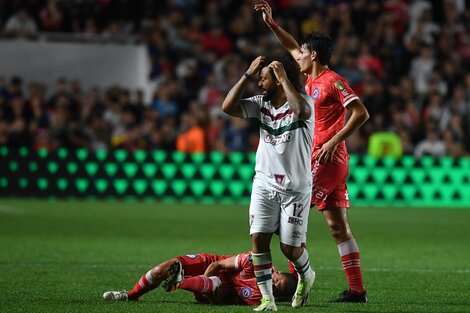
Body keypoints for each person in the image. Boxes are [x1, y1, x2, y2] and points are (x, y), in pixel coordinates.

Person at [255, 1, 370, 303]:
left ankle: (299, 281)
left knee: (286, 222)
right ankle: (357, 290)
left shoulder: (332, 81)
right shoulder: (310, 79)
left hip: (327, 158)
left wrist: (333, 141)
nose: (298, 57)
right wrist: (271, 23)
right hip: (324, 159)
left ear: (314, 55)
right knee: (338, 227)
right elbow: (291, 45)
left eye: (303, 54)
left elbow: (360, 113)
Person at [222, 55, 315, 311]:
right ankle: (267, 300)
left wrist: (285, 78)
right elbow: (227, 107)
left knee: (289, 248)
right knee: (258, 240)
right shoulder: (260, 103)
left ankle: (307, 275)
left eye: (263, 79)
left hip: (295, 190)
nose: (260, 84)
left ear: (277, 79)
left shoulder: (304, 102)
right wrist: (246, 74)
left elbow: (302, 112)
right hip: (264, 184)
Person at [102, 251, 297, 306]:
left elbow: (224, 301)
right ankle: (131, 295)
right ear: (276, 271)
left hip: (215, 290)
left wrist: (209, 295)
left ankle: (179, 281)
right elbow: (217, 266)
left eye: (275, 289)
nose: (271, 284)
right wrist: (200, 281)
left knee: (216, 285)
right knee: (161, 270)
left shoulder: (257, 298)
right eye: (276, 280)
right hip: (209, 265)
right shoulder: (255, 261)